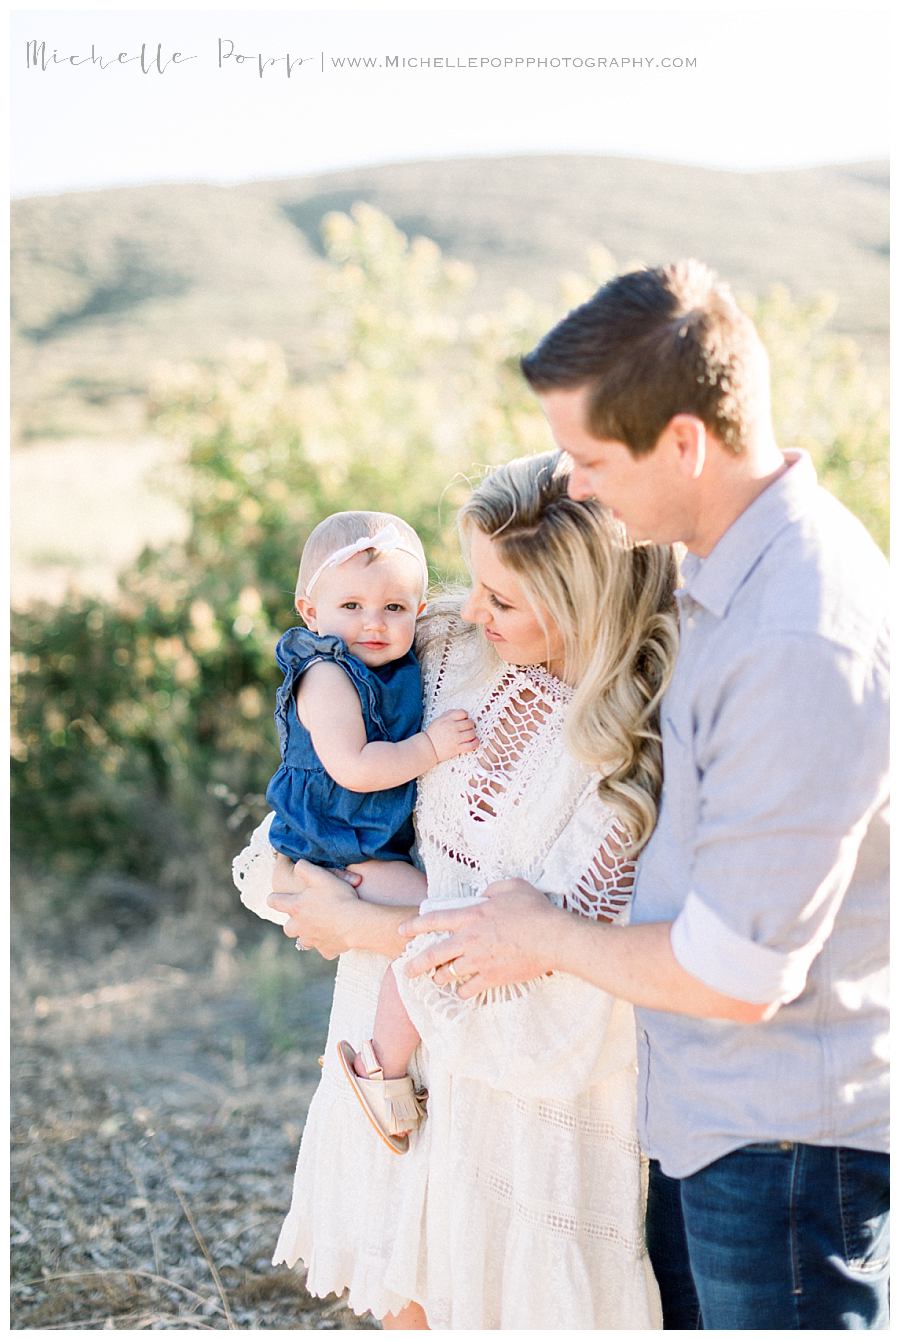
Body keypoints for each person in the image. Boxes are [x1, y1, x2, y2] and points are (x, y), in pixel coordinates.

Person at [399, 261, 890, 1330]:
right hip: (709, 1117)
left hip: (783, 1144)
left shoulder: (798, 632)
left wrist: (542, 931)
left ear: (683, 442)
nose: (573, 485)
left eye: (588, 457)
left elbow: (740, 971)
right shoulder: (725, 578)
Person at [252, 452, 678, 1328]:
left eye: (503, 599)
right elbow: (319, 781)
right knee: (403, 1295)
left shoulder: (631, 747)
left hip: (523, 1102)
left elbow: (562, 969)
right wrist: (310, 883)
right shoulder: (446, 645)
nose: (466, 609)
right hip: (393, 1061)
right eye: (473, 581)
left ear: (583, 602)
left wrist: (361, 923)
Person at [233, 509, 478, 1149]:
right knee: (433, 923)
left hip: (365, 836)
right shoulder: (326, 675)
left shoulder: (395, 662)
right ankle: (381, 1067)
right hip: (338, 840)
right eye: (352, 604)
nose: (375, 621)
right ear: (309, 610)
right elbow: (355, 767)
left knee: (432, 922)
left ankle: (392, 1059)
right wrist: (431, 747)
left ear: (420, 610)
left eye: (395, 606)